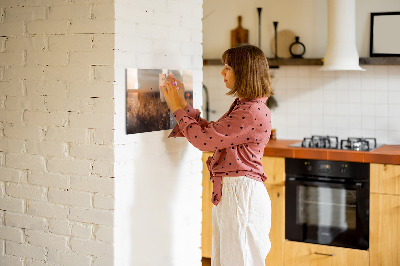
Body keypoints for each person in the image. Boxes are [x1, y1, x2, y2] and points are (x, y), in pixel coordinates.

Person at [161, 44, 273, 266]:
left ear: (244, 72)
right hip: (236, 193)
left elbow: (204, 141)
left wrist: (176, 107)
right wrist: (183, 104)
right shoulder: (246, 106)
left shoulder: (250, 111)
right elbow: (212, 133)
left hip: (241, 195)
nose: (222, 72)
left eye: (228, 67)